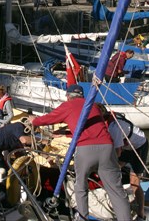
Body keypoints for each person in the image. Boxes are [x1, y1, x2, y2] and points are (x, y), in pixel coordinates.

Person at [28, 85, 131, 221]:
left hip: (86, 149)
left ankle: (82, 218)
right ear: (82, 96)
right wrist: (65, 132)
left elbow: (48, 119)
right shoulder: (93, 106)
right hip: (107, 147)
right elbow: (90, 127)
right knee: (116, 190)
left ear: (68, 96)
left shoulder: (68, 105)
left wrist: (33, 120)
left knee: (81, 187)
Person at [98, 104, 149, 221]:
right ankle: (118, 203)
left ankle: (141, 214)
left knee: (134, 183)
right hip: (127, 147)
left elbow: (118, 153)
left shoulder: (114, 127)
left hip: (139, 147)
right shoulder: (106, 123)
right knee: (110, 171)